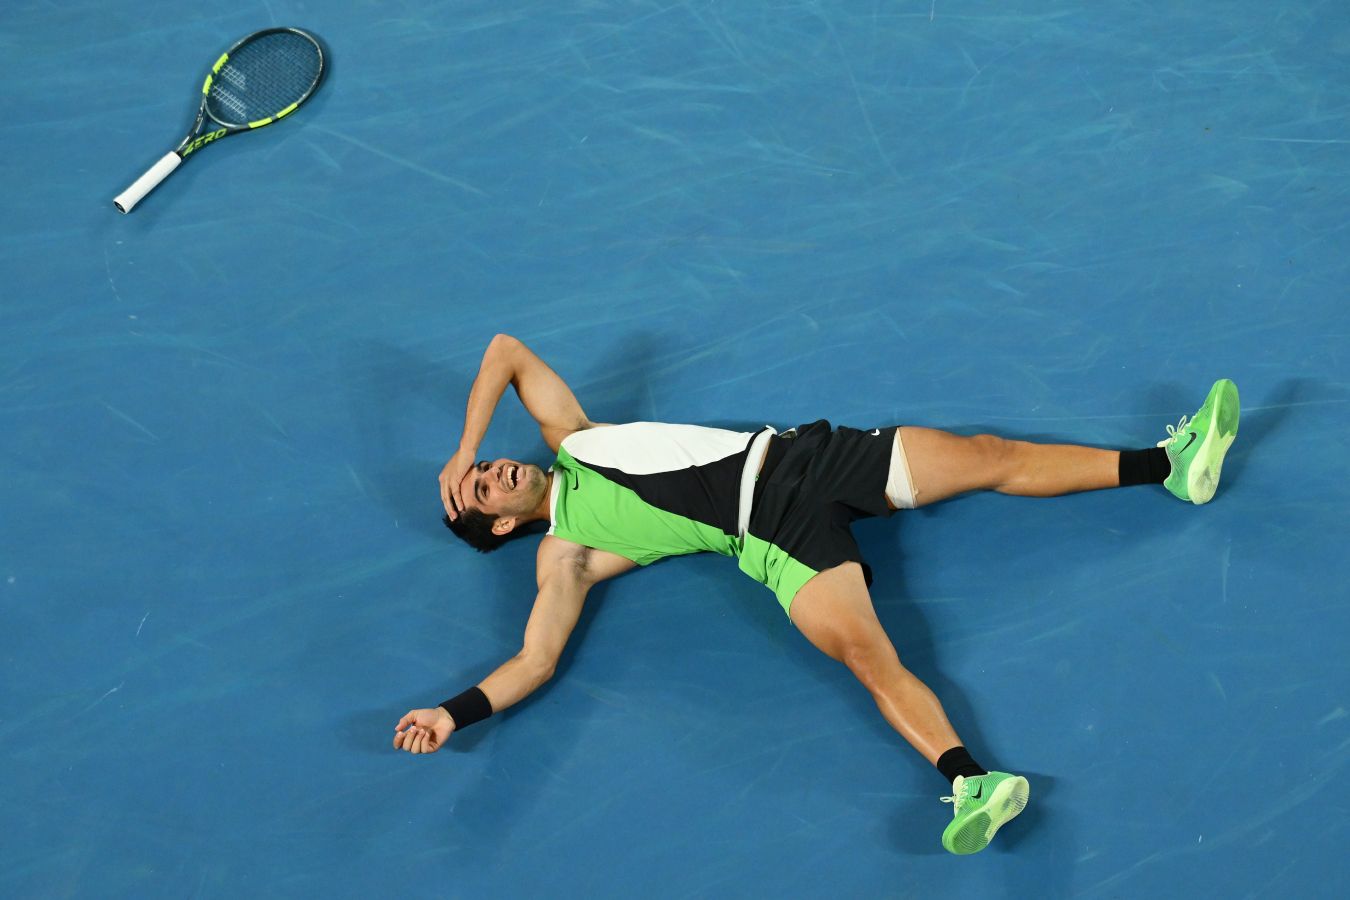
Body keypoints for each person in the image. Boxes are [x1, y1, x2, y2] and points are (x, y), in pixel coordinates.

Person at [392, 333, 1241, 855]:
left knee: (989, 455)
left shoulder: (572, 436)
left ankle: (1171, 466)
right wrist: (451, 713)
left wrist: (458, 452)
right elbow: (535, 660)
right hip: (776, 541)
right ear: (502, 524)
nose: (495, 471)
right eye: (485, 488)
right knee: (868, 657)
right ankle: (972, 781)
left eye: (488, 467)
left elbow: (505, 350)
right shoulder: (569, 554)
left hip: (809, 457)